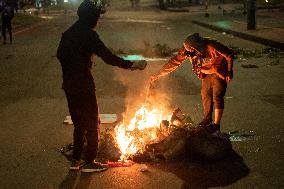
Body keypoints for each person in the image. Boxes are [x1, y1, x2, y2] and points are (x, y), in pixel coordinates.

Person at [57, 0, 147, 173]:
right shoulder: (89, 35)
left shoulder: (68, 33)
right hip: (84, 84)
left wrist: (74, 66)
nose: (98, 20)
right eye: (97, 16)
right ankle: (89, 162)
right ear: (92, 18)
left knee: (79, 123)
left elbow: (61, 55)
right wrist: (131, 65)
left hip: (69, 85)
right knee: (92, 123)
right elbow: (108, 57)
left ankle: (76, 161)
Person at [150, 33, 234, 132]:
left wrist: (228, 71)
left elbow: (229, 54)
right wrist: (158, 74)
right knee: (205, 94)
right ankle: (207, 120)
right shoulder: (187, 50)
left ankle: (216, 125)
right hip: (206, 73)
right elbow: (174, 62)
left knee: (217, 96)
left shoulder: (212, 46)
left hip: (219, 70)